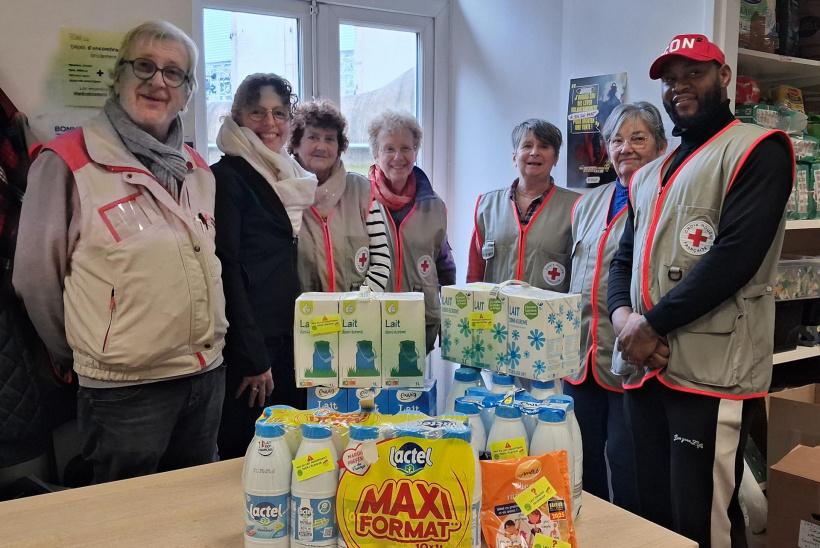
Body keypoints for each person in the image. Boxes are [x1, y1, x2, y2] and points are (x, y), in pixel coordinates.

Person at [13, 21, 227, 483]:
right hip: (126, 392)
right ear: (119, 75)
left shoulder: (196, 168)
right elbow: (35, 278)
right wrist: (84, 352)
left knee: (195, 509)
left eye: (174, 73)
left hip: (205, 375)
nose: (157, 82)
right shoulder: (66, 161)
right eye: (144, 66)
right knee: (127, 520)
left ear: (187, 93)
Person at [608, 34, 793, 547]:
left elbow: (734, 257)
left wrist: (651, 324)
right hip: (646, 369)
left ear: (724, 77)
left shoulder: (757, 149)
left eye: (694, 74)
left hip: (713, 373)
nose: (680, 87)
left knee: (702, 519)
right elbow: (624, 258)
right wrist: (623, 318)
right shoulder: (650, 174)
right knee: (648, 514)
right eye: (671, 80)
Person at [565, 102, 668, 512]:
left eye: (638, 138)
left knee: (629, 468)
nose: (626, 148)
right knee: (581, 465)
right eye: (616, 140)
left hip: (631, 359)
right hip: (580, 361)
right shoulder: (587, 203)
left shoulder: (665, 199)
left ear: (661, 146)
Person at [211, 74, 317, 459]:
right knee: (251, 457)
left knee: (290, 451)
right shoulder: (228, 177)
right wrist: (253, 356)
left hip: (287, 338)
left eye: (278, 113)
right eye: (257, 113)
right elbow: (227, 267)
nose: (269, 124)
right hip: (252, 349)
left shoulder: (283, 173)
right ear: (238, 116)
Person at [367, 110, 455, 352]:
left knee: (410, 390)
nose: (398, 156)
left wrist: (451, 320)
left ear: (415, 151)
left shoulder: (435, 205)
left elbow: (444, 265)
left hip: (418, 323)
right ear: (376, 154)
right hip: (369, 322)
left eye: (406, 148)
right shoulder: (359, 201)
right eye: (389, 149)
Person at [288, 99, 391, 292]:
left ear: (339, 148)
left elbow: (381, 261)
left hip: (357, 315)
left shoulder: (363, 192)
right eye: (313, 137)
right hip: (305, 317)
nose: (322, 146)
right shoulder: (283, 194)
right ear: (295, 144)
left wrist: (357, 307)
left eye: (330, 139)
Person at [467, 119, 578, 291]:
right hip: (494, 313)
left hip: (548, 315)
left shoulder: (577, 207)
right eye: (527, 146)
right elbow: (475, 272)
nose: (534, 152)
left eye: (544, 146)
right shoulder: (487, 205)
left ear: (556, 158)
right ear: (514, 157)